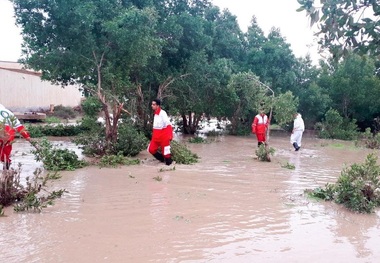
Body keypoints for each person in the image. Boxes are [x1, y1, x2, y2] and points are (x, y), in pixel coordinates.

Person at [0, 104, 31, 169]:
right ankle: (6, 171)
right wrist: (27, 136)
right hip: (9, 135)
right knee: (6, 154)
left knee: (2, 154)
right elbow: (19, 126)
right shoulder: (9, 113)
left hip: (1, 133)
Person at [148, 99, 174, 166]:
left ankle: (169, 166)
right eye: (152, 104)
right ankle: (162, 159)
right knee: (151, 149)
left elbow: (168, 124)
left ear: (158, 106)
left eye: (153, 104)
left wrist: (170, 135)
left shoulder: (163, 113)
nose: (152, 106)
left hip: (163, 136)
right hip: (156, 136)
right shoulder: (155, 114)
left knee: (166, 153)